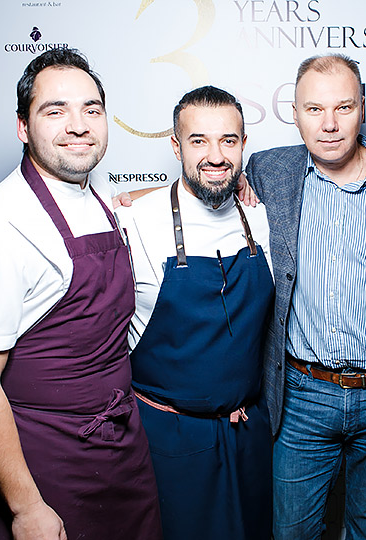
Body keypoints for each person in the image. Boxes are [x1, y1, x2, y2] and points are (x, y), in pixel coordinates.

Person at [0, 48, 162, 540]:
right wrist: (25, 508)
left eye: (91, 109)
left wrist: (226, 181)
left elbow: (138, 204)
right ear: (23, 127)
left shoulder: (95, 199)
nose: (78, 124)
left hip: (121, 448)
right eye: (55, 110)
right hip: (47, 465)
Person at [244, 54, 366, 539]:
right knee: (291, 532)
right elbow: (205, 188)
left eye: (343, 107)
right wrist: (134, 198)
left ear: (364, 108)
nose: (329, 125)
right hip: (301, 395)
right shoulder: (269, 173)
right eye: (314, 109)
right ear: (295, 112)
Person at [117, 86, 274, 540]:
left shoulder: (261, 217)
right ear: (175, 145)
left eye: (228, 140)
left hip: (247, 436)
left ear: (244, 144)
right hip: (168, 442)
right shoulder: (134, 219)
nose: (216, 155)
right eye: (199, 140)